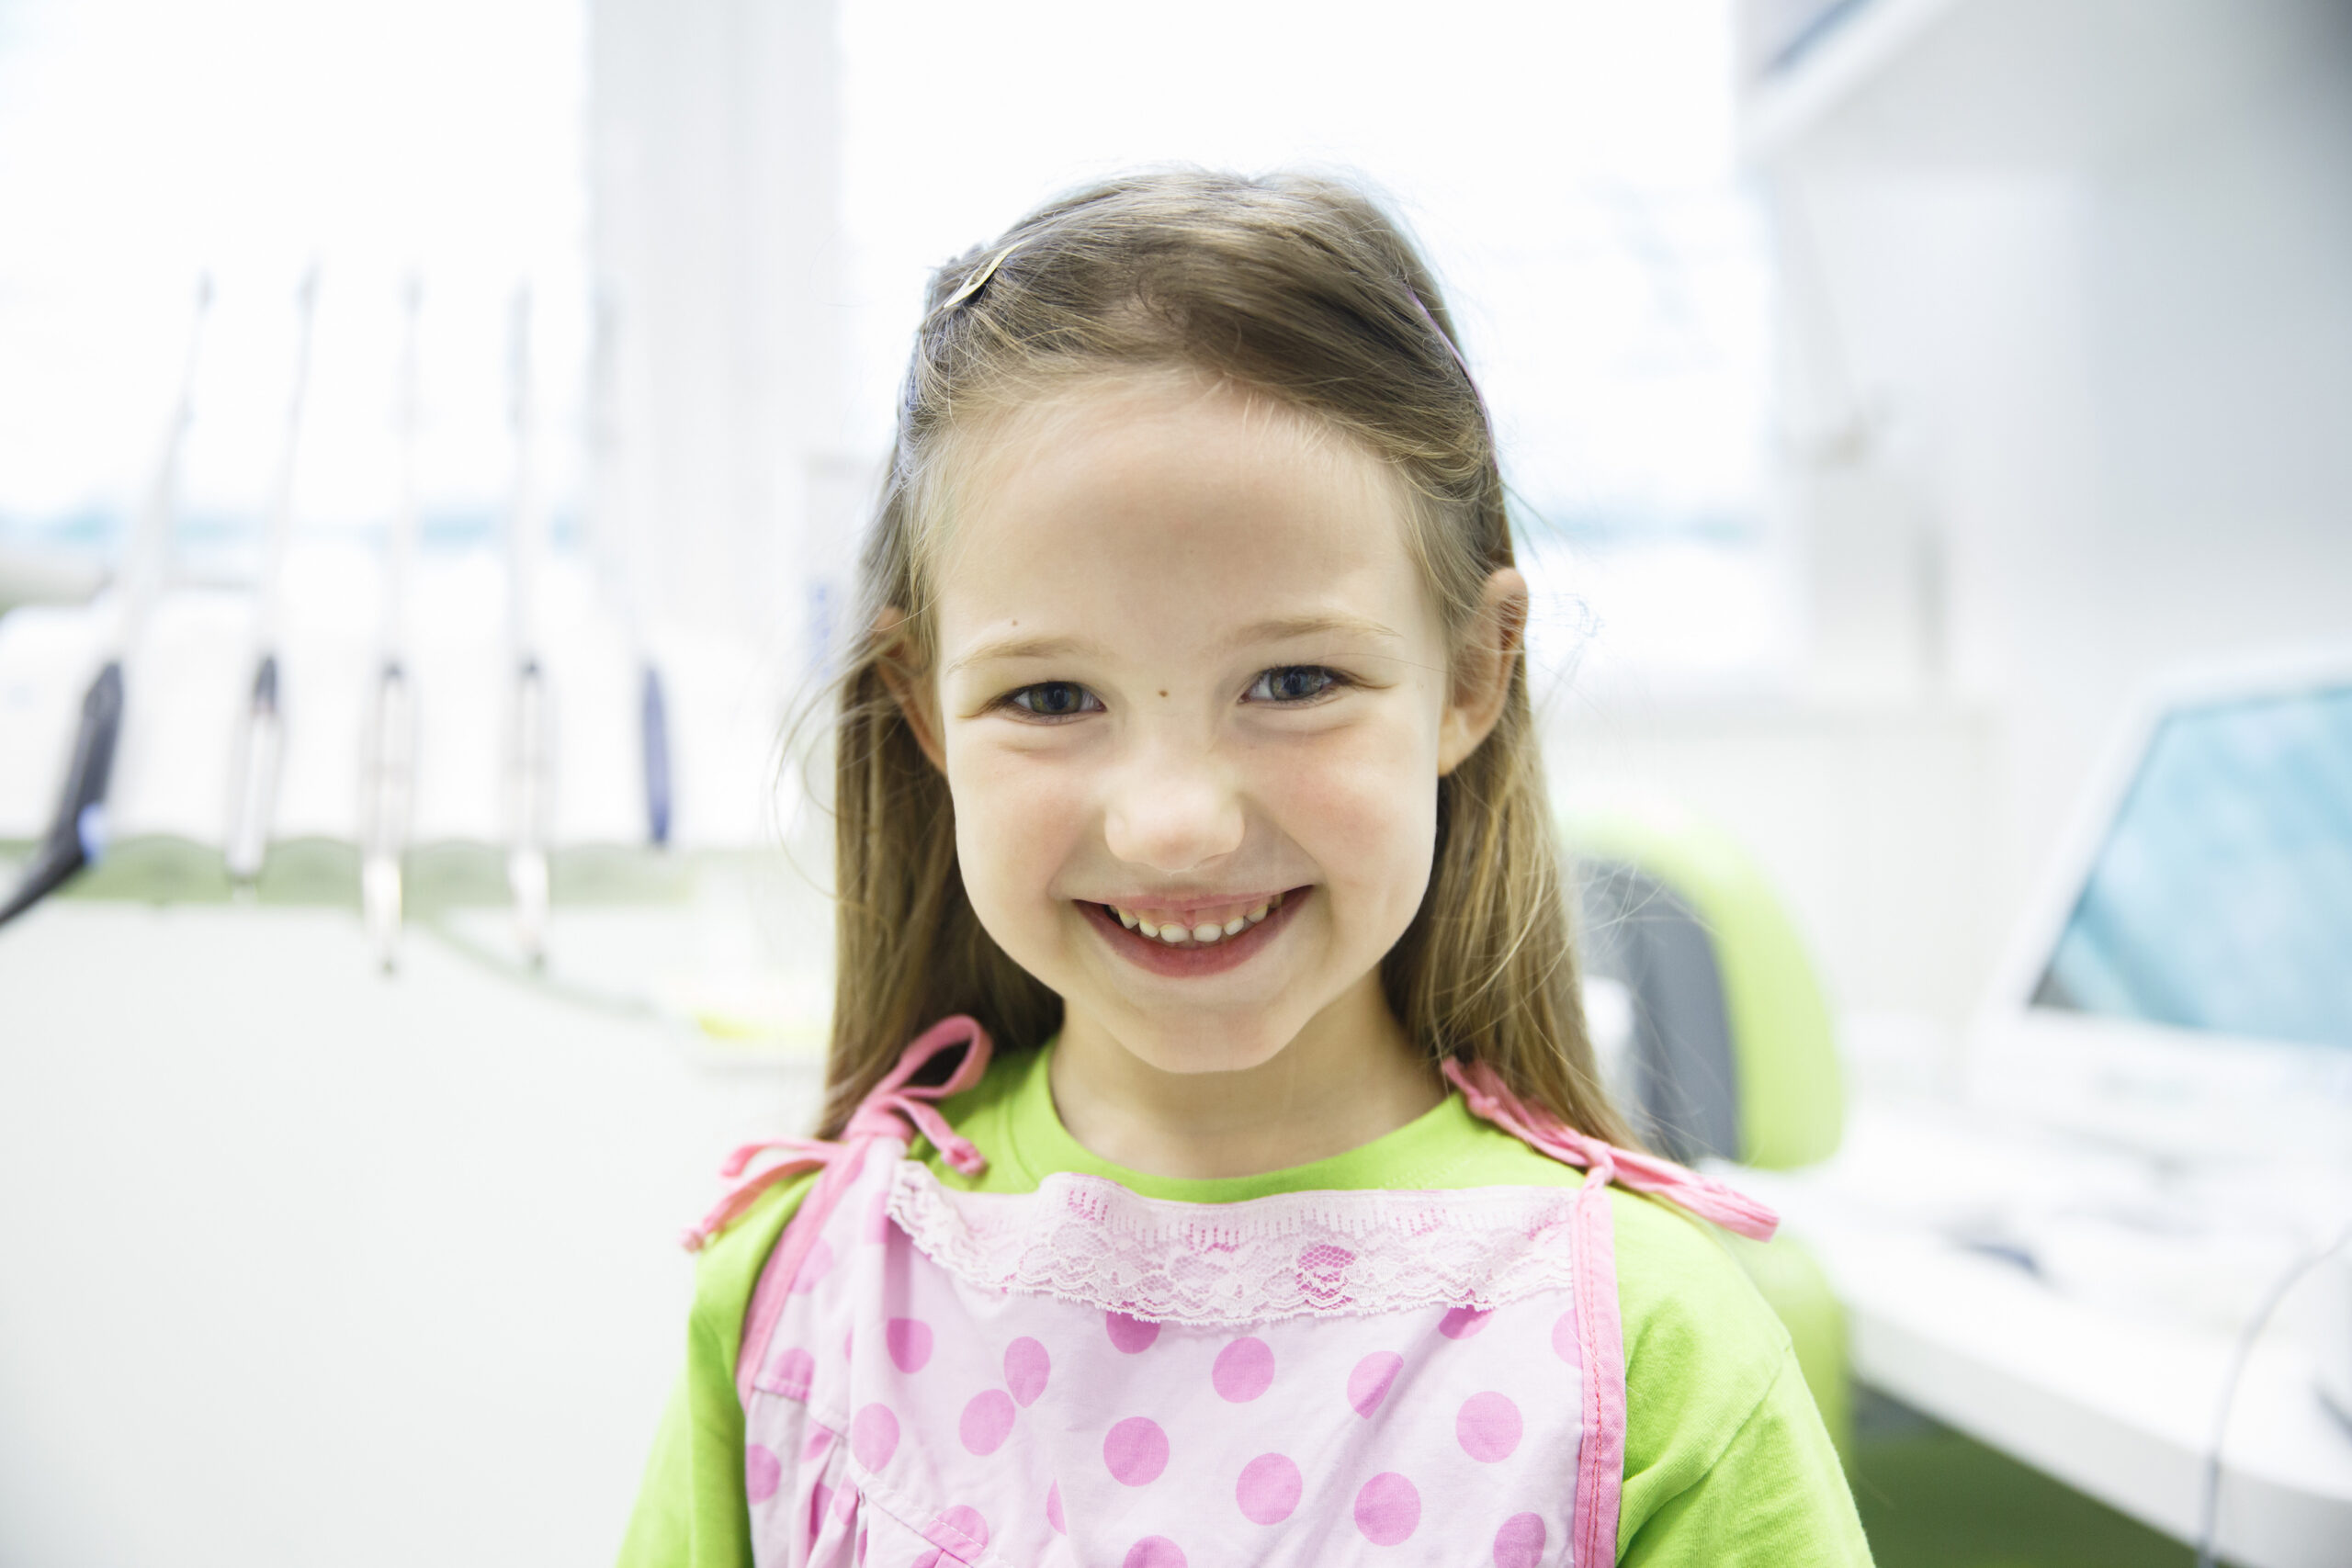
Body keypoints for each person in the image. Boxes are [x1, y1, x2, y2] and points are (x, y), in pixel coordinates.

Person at [619, 170, 1871, 1568]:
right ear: (924, 712)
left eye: (1292, 679)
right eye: (1049, 698)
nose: (1173, 825)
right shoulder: (798, 1302)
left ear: (1469, 674)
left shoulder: (1648, 1353)